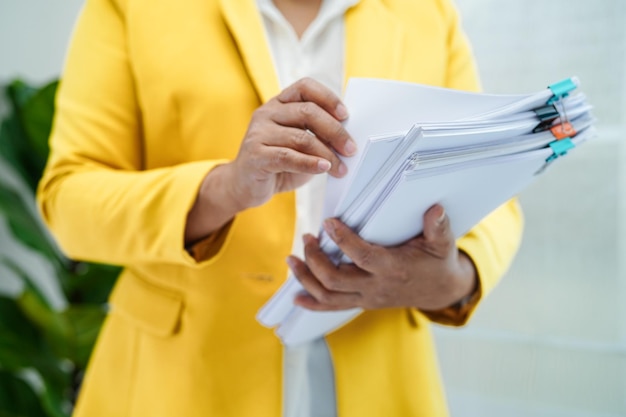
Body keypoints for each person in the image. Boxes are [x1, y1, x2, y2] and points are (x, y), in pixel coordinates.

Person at [37, 0, 523, 416]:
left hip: (381, 367)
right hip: (180, 377)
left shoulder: (426, 12)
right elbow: (69, 199)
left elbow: (491, 179)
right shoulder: (130, 8)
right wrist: (223, 188)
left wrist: (457, 277)